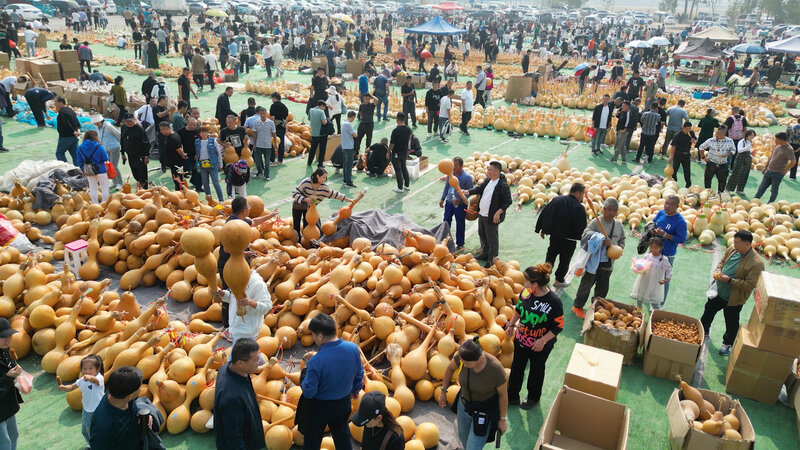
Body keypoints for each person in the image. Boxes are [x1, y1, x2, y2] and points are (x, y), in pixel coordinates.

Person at [298, 314, 364, 450]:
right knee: (342, 437)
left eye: (314, 335)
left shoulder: (316, 361)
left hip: (320, 408)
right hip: (343, 404)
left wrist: (305, 369)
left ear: (320, 336)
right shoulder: (352, 348)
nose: (314, 338)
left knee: (312, 440)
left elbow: (309, 392)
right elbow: (359, 374)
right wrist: (355, 391)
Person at [506, 263, 563, 408]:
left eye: (526, 281)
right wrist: (512, 325)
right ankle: (512, 396)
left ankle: (533, 398)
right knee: (517, 368)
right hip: (521, 340)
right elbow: (519, 308)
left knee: (536, 371)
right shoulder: (526, 292)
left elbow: (559, 325)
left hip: (540, 346)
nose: (524, 284)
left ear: (535, 284)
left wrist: (542, 340)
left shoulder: (554, 301)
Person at [701, 230, 764, 356]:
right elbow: (722, 262)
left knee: (731, 322)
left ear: (747, 244)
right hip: (718, 291)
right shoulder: (732, 249)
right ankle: (703, 330)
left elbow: (749, 285)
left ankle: (727, 343)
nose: (734, 244)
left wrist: (729, 280)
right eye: (734, 241)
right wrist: (718, 271)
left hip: (733, 298)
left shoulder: (757, 263)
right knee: (708, 310)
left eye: (737, 242)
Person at [439, 337, 508, 449]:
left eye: (467, 363)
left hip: (484, 411)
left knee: (473, 447)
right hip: (464, 406)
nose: (464, 365)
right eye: (462, 362)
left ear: (480, 358)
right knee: (463, 439)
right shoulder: (463, 356)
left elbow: (503, 395)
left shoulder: (495, 370)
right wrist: (443, 391)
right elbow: (450, 368)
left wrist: (502, 419)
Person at [572, 198, 625, 317]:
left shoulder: (618, 224)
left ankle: (596, 305)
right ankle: (578, 306)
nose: (612, 213)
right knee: (586, 285)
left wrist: (619, 248)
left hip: (608, 263)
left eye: (614, 210)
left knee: (602, 287)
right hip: (593, 262)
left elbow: (622, 239)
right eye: (609, 210)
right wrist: (600, 239)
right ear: (604, 209)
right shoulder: (596, 222)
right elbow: (585, 236)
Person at [90, 366, 164, 450]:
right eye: (140, 386)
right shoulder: (104, 427)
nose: (141, 387)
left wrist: (144, 412)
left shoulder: (117, 392)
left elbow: (136, 401)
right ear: (130, 395)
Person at [213, 338, 265, 449]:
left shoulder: (227, 369)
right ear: (240, 363)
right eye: (255, 360)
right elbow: (233, 437)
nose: (260, 362)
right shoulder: (231, 398)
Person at [535, 182, 587, 287]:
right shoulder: (579, 208)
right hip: (569, 240)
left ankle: (544, 276)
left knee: (551, 255)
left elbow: (546, 214)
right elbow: (582, 226)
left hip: (555, 237)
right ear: (577, 193)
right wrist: (583, 239)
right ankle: (559, 280)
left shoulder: (557, 200)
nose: (582, 197)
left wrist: (542, 229)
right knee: (565, 260)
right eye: (582, 194)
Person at [464, 161, 512, 268]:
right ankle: (485, 254)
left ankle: (492, 259)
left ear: (497, 171)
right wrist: (468, 192)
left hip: (491, 217)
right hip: (482, 214)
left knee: (492, 239)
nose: (487, 171)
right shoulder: (488, 180)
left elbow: (508, 201)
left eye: (490, 169)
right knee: (482, 235)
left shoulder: (502, 185)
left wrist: (498, 213)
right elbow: (479, 189)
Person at [57, 355, 104, 448]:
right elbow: (71, 387)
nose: (86, 371)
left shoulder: (99, 378)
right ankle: (91, 444)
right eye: (84, 369)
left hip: (98, 410)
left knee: (97, 429)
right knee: (85, 430)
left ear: (98, 369)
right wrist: (63, 388)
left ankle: (100, 444)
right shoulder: (82, 380)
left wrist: (90, 378)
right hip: (86, 410)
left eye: (90, 368)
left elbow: (95, 381)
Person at [650, 195, 687, 306]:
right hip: (653, 252)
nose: (668, 206)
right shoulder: (661, 213)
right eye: (666, 203)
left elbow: (682, 239)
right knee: (651, 275)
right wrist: (653, 230)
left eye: (671, 204)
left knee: (664, 280)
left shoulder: (680, 222)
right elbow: (654, 222)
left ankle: (660, 304)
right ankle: (650, 296)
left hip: (667, 255)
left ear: (677, 206)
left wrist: (666, 235)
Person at [291, 169, 351, 238]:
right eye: (323, 177)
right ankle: (297, 242)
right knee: (296, 226)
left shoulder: (324, 187)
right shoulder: (306, 182)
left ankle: (307, 243)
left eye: (325, 178)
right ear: (317, 176)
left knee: (307, 226)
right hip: (298, 205)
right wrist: (305, 199)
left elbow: (333, 194)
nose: (325, 179)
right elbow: (294, 193)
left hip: (309, 209)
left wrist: (346, 199)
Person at [218, 271, 271, 347]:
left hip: (247, 332)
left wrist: (251, 302)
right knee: (248, 355)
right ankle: (258, 358)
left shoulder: (258, 285)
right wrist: (223, 294)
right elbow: (232, 297)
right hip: (235, 328)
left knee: (239, 356)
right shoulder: (237, 279)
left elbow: (267, 306)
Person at [440, 157, 474, 250]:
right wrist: (442, 199)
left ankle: (460, 243)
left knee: (460, 223)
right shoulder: (450, 175)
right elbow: (446, 187)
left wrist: (460, 199)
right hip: (449, 203)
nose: (454, 168)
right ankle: (444, 240)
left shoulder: (467, 177)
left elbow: (470, 191)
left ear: (462, 166)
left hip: (460, 205)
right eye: (452, 166)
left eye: (456, 166)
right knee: (446, 222)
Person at [630, 238, 673, 312]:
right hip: (644, 280)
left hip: (655, 282)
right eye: (651, 247)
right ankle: (639, 311)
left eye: (655, 248)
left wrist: (667, 279)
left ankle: (656, 314)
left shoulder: (663, 259)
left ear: (661, 248)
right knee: (640, 297)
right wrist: (638, 268)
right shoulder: (647, 256)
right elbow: (643, 265)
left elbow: (669, 270)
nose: (653, 249)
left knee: (654, 300)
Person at [754, 132, 797, 203]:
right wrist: (765, 167)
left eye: (776, 139)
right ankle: (755, 200)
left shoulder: (789, 149)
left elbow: (793, 161)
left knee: (774, 190)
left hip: (778, 173)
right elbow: (771, 157)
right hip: (769, 171)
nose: (775, 140)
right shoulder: (777, 146)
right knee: (761, 187)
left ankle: (770, 203)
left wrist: (786, 170)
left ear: (781, 140)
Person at [0, 317, 22, 450]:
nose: (8, 339)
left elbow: (10, 366)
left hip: (7, 404)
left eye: (10, 335)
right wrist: (9, 377)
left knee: (13, 435)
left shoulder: (5, 350)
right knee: (4, 443)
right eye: (3, 337)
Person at [698, 126, 735, 193]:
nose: (716, 136)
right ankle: (707, 192)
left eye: (718, 135)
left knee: (722, 180)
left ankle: (720, 193)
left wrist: (726, 154)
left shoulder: (730, 141)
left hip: (723, 164)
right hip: (711, 163)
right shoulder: (711, 140)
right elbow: (701, 147)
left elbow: (733, 151)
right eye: (716, 134)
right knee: (707, 179)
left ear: (723, 135)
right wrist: (703, 157)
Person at [244, 106, 277, 181]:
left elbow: (274, 134)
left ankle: (266, 175)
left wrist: (275, 144)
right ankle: (259, 171)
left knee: (267, 162)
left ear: (266, 114)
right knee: (257, 161)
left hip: (267, 145)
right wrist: (254, 144)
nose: (262, 115)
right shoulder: (256, 122)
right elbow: (254, 133)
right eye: (261, 113)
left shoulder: (271, 123)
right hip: (258, 145)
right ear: (259, 114)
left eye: (264, 113)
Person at [120, 113, 150, 190]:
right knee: (135, 173)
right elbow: (122, 140)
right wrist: (122, 153)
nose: (129, 123)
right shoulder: (124, 127)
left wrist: (146, 156)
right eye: (127, 121)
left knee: (142, 174)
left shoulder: (139, 128)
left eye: (131, 121)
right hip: (130, 155)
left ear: (134, 120)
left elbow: (146, 143)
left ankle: (144, 190)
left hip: (140, 155)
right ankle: (140, 188)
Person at [195, 126, 224, 202]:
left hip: (212, 164)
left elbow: (218, 152)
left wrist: (220, 163)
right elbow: (197, 154)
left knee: (216, 183)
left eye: (205, 132)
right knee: (205, 184)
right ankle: (209, 200)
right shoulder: (197, 142)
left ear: (208, 133)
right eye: (202, 132)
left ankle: (221, 200)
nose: (204, 133)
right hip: (202, 165)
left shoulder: (213, 141)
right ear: (199, 134)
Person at [93, 115, 122, 191]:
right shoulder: (96, 127)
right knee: (108, 166)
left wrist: (123, 147)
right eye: (95, 123)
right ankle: (114, 181)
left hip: (114, 147)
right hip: (106, 149)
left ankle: (120, 182)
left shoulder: (108, 126)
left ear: (101, 121)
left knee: (114, 166)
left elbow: (118, 135)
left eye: (97, 122)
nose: (96, 124)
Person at [158, 121, 187, 190]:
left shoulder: (173, 138)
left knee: (178, 179)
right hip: (173, 163)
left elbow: (179, 149)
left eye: (162, 130)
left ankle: (181, 192)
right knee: (177, 178)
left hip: (176, 163)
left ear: (167, 129)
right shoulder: (172, 135)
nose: (161, 131)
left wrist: (183, 155)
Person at [668, 121, 697, 188]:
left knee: (687, 170)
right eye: (687, 129)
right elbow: (673, 146)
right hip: (678, 155)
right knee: (674, 170)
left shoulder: (691, 133)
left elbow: (695, 141)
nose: (688, 130)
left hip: (686, 155)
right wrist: (671, 156)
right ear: (683, 128)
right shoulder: (678, 135)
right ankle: (674, 183)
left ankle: (688, 184)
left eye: (690, 129)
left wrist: (694, 141)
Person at [389, 112, 413, 193]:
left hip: (396, 152)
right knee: (404, 167)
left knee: (398, 169)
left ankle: (400, 187)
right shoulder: (408, 129)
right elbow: (410, 137)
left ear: (397, 119)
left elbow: (392, 143)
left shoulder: (395, 131)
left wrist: (388, 152)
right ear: (404, 119)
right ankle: (407, 185)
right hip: (404, 152)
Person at [728, 130, 756, 196]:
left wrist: (752, 152)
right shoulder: (741, 141)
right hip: (741, 157)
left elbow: (749, 150)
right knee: (736, 173)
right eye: (751, 135)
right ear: (747, 135)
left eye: (753, 136)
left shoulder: (750, 142)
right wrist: (748, 147)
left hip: (748, 158)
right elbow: (739, 150)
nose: (752, 137)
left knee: (745, 174)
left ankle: (740, 189)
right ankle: (728, 189)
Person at [56, 97, 81, 164]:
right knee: (75, 155)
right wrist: (78, 130)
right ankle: (79, 170)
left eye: (56, 102)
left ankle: (66, 168)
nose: (55, 104)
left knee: (59, 153)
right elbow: (77, 122)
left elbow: (66, 124)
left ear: (61, 103)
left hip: (66, 137)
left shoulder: (62, 112)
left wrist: (73, 131)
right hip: (74, 137)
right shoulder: (71, 110)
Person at [307, 100, 329, 168]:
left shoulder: (311, 110)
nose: (324, 108)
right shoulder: (321, 112)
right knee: (322, 150)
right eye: (324, 107)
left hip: (314, 133)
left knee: (313, 149)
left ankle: (309, 162)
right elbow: (324, 122)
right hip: (321, 134)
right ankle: (320, 164)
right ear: (321, 106)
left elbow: (309, 119)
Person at [269, 92, 289, 165]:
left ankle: (272, 158)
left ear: (274, 98)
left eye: (272, 98)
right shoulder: (284, 106)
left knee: (272, 142)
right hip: (282, 127)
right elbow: (286, 118)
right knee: (281, 143)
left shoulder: (273, 106)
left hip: (275, 127)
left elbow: (272, 118)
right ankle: (280, 160)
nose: (272, 100)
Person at [341, 111, 358, 188]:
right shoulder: (348, 124)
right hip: (349, 147)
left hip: (344, 146)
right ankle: (348, 181)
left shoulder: (343, 122)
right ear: (353, 117)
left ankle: (345, 179)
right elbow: (354, 135)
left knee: (345, 164)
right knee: (349, 165)